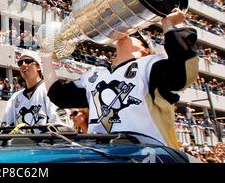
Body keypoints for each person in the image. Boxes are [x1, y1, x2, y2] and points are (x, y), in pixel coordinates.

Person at [41, 8, 199, 148]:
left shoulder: (150, 65)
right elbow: (58, 95)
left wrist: (169, 25)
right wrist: (46, 55)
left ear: (144, 50)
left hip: (148, 153)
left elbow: (182, 74)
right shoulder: (95, 75)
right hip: (103, 153)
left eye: (134, 35)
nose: (127, 33)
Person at [1, 52, 60, 133]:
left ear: (38, 67)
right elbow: (5, 128)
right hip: (22, 144)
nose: (23, 64)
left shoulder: (50, 89)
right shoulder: (14, 98)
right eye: (20, 63)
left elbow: (59, 126)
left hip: (46, 144)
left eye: (28, 61)